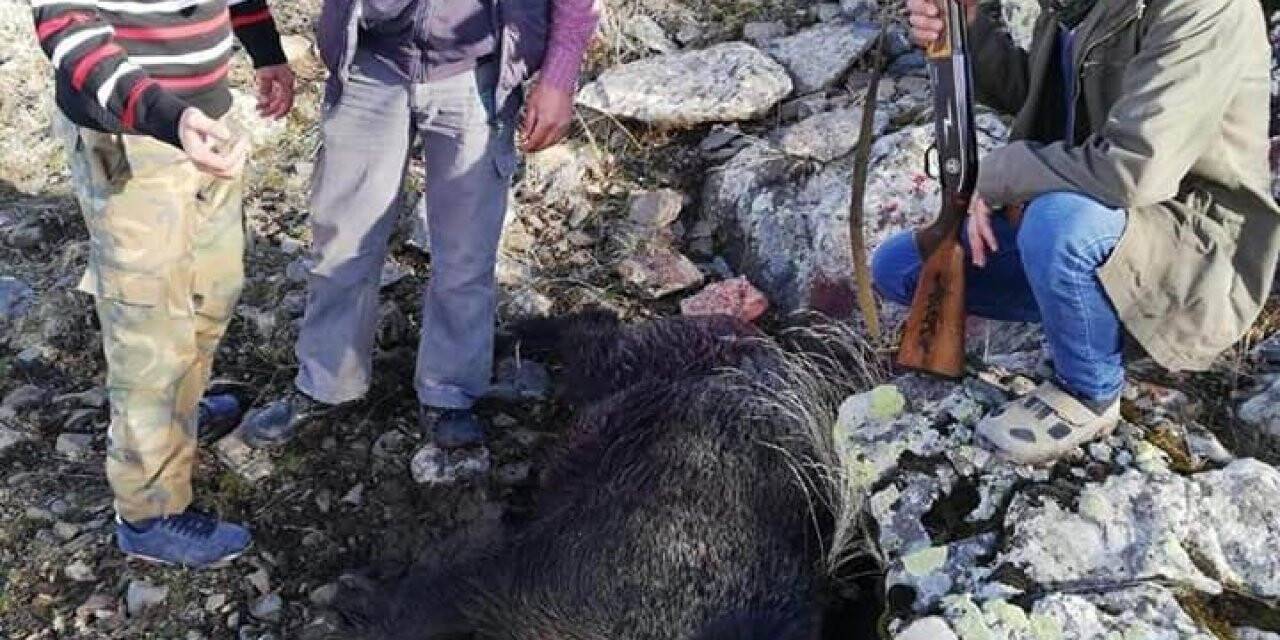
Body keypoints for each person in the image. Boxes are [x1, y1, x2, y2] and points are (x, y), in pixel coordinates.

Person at [873, 0, 1278, 464]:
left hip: (1189, 251)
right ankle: (1093, 312)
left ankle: (1091, 392)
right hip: (1101, 220)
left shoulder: (1207, 9)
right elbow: (1039, 97)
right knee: (900, 269)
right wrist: (967, 30)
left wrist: (992, 176)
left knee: (1058, 225)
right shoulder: (1081, 5)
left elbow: (1134, 169)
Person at [245, 0, 601, 449]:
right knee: (342, 242)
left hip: (477, 73)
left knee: (465, 255)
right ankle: (326, 380)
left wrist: (558, 77)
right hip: (371, 62)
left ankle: (449, 392)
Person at [33, 0, 295, 566]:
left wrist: (267, 51)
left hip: (209, 123)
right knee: (149, 327)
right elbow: (65, 27)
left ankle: (178, 417)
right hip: (133, 139)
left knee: (213, 288)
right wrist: (167, 117)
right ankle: (148, 514)